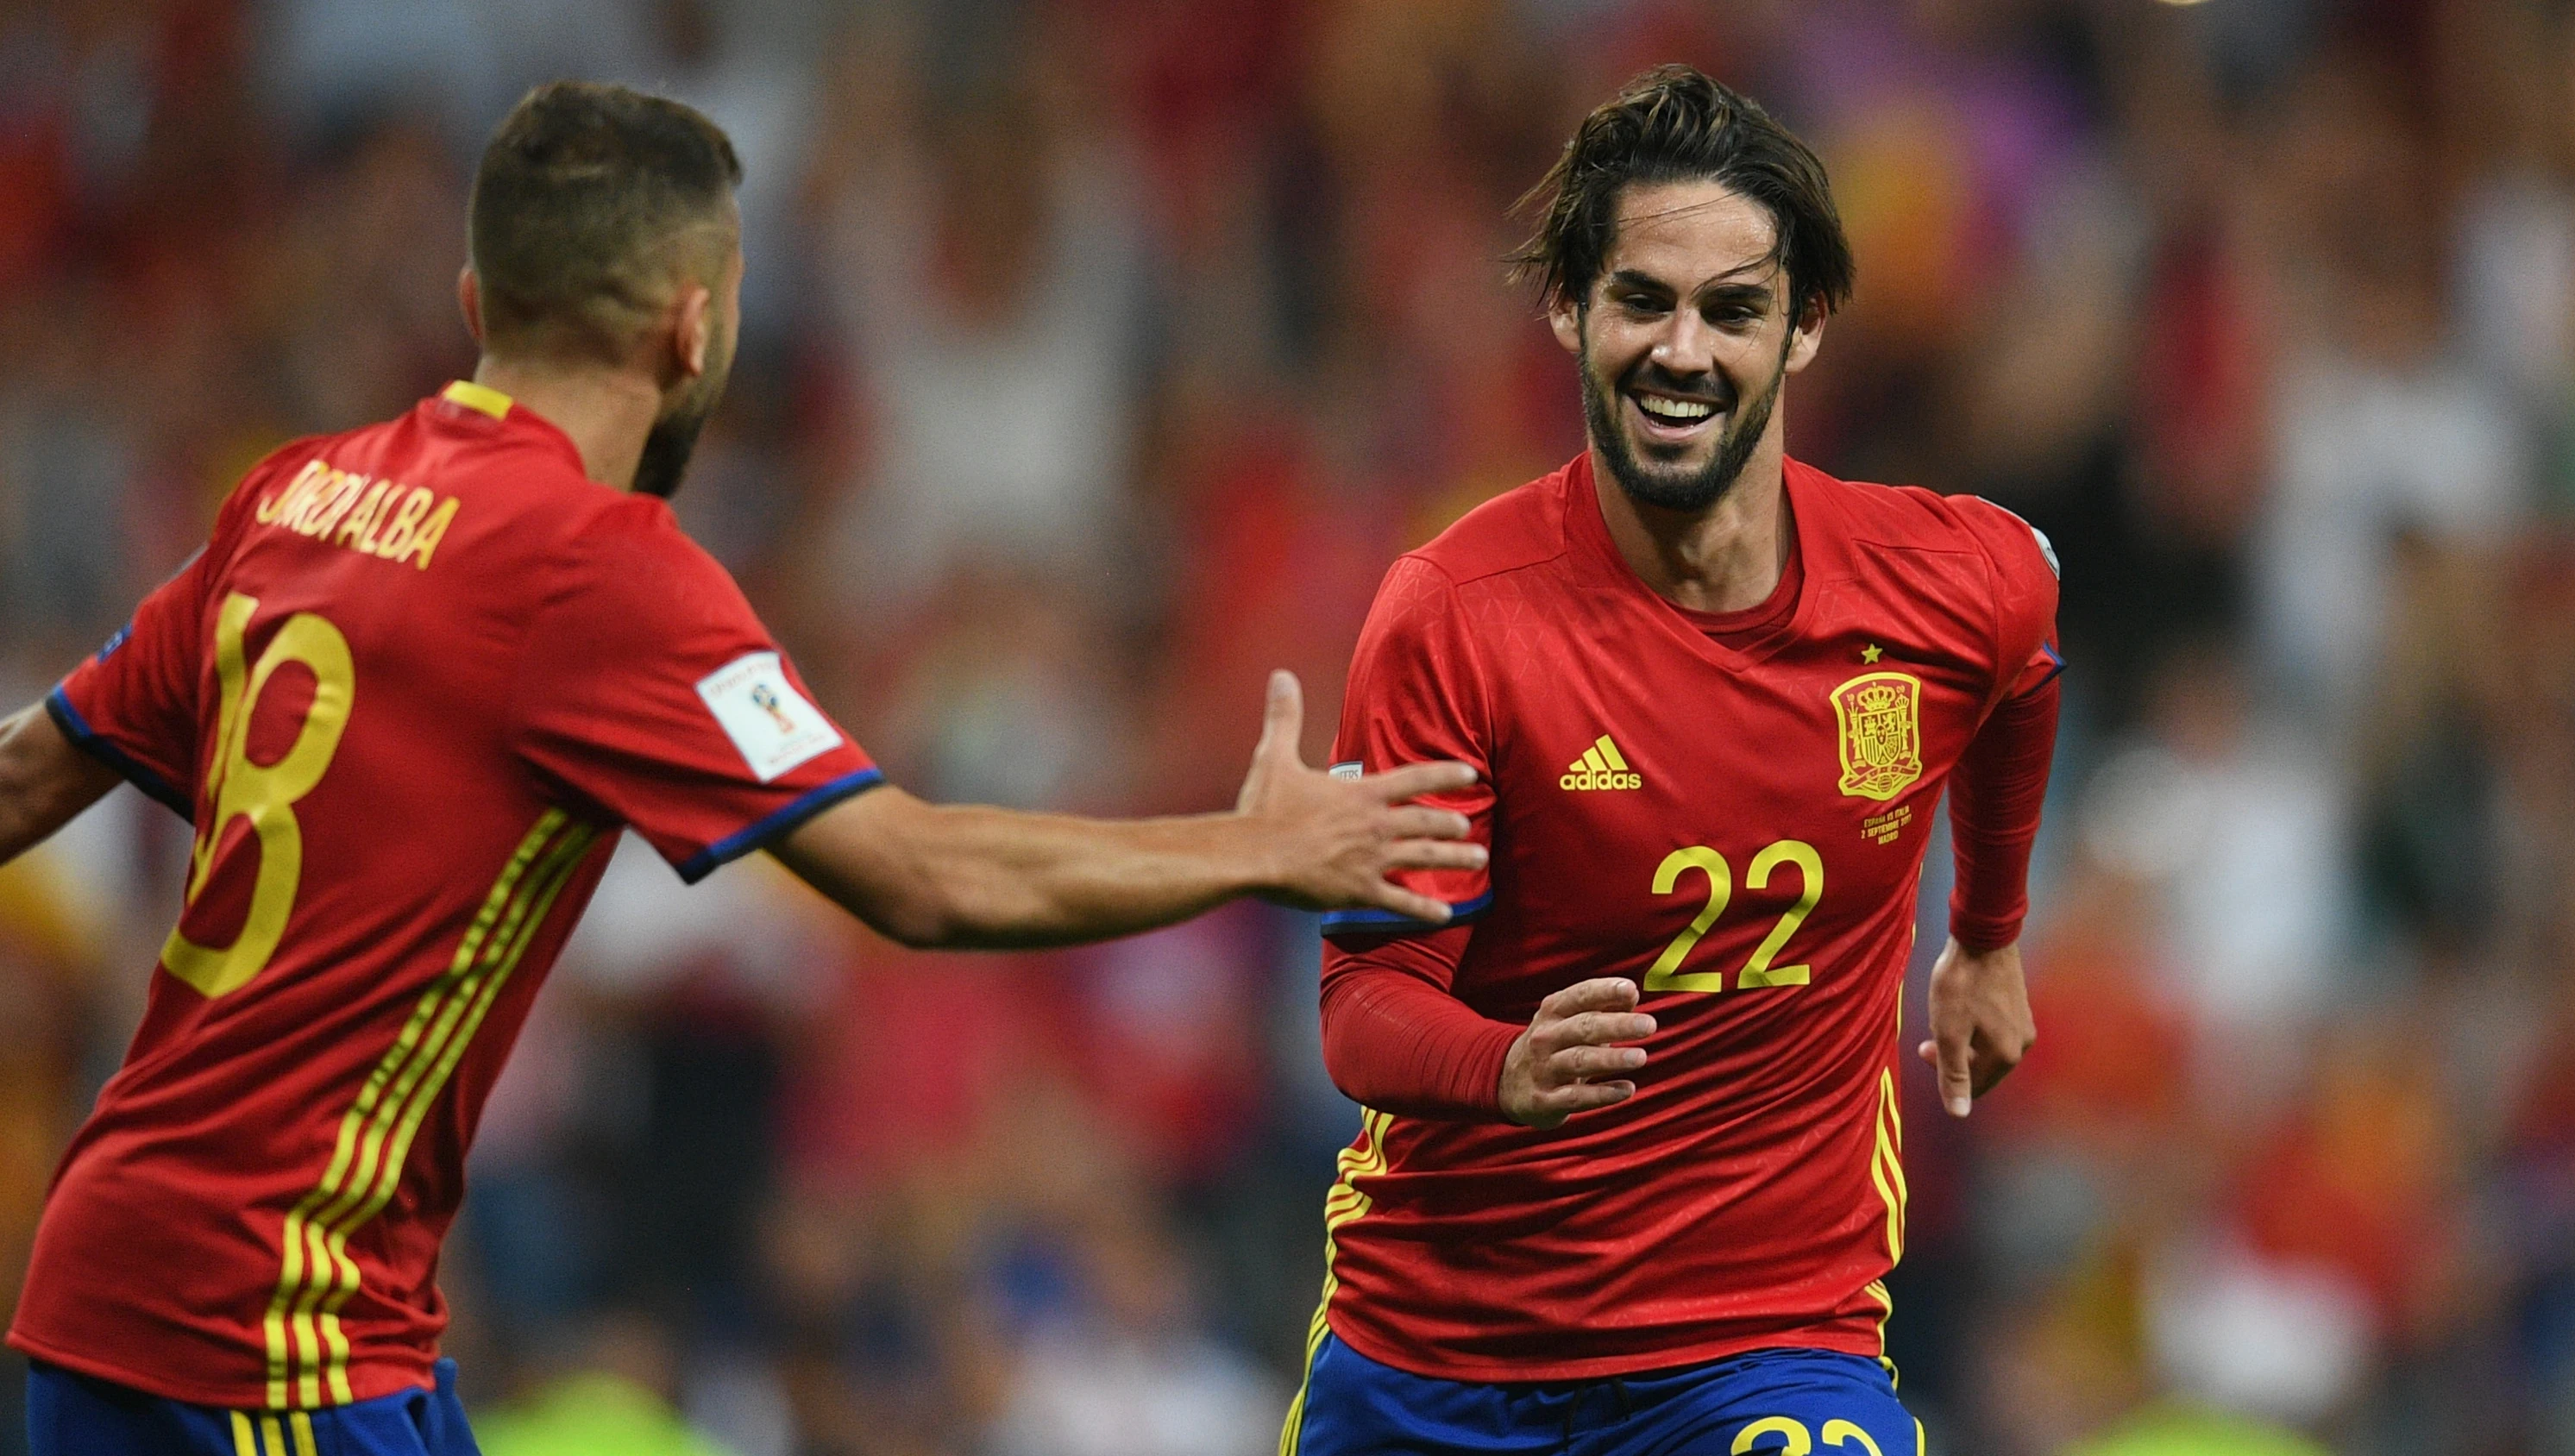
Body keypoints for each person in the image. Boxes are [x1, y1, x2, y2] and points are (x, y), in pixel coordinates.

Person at [0, 82, 1482, 1456]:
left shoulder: (293, 493)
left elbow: (23, 785)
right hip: (266, 1323)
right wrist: (1258, 846)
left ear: (475, 302)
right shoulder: (597, 571)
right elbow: (919, 879)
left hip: (112, 1274)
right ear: (693, 329)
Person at [1284, 66, 2061, 1455]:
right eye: (1643, 299)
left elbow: (2023, 662)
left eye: (1735, 309)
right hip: (1442, 1358)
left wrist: (1988, 935)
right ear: (1571, 309)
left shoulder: (1943, 583)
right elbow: (1364, 1007)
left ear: (1805, 328)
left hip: (1764, 1347)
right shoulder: (1457, 621)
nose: (1683, 351)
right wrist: (1503, 1063)